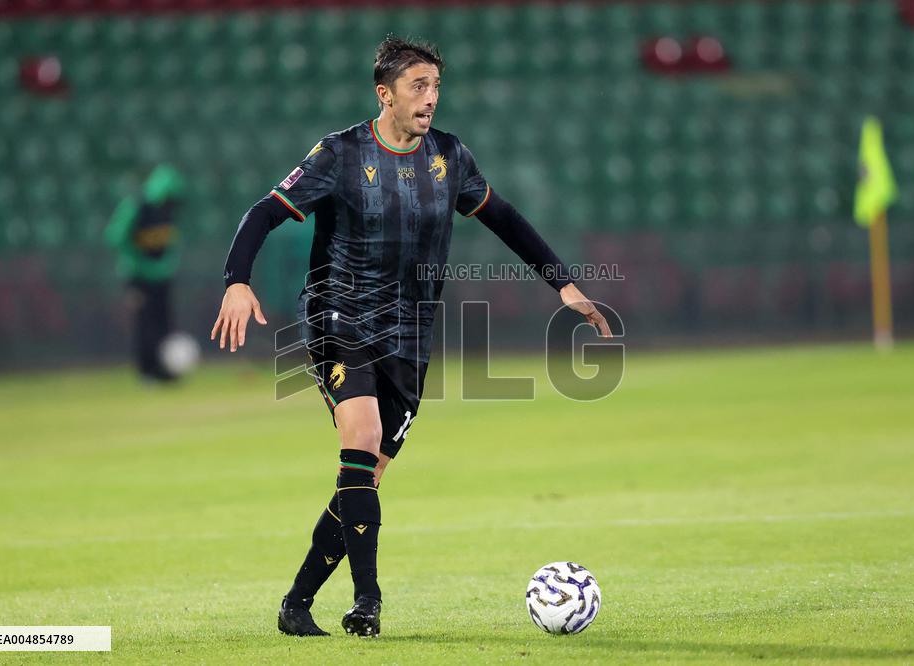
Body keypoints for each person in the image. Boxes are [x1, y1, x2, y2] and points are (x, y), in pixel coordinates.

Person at [210, 36, 611, 638]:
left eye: (436, 87)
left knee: (364, 475)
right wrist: (236, 282)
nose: (431, 98)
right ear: (385, 93)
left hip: (410, 332)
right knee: (363, 435)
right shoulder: (340, 154)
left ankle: (297, 604)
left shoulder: (451, 157)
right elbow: (264, 211)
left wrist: (564, 286)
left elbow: (504, 219)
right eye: (418, 86)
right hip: (336, 313)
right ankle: (368, 600)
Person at [106, 164, 185, 383]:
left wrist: (166, 264)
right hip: (138, 277)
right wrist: (136, 263)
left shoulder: (168, 213)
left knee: (165, 323)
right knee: (145, 324)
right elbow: (115, 236)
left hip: (162, 276)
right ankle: (147, 371)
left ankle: (167, 369)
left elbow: (168, 242)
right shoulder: (137, 206)